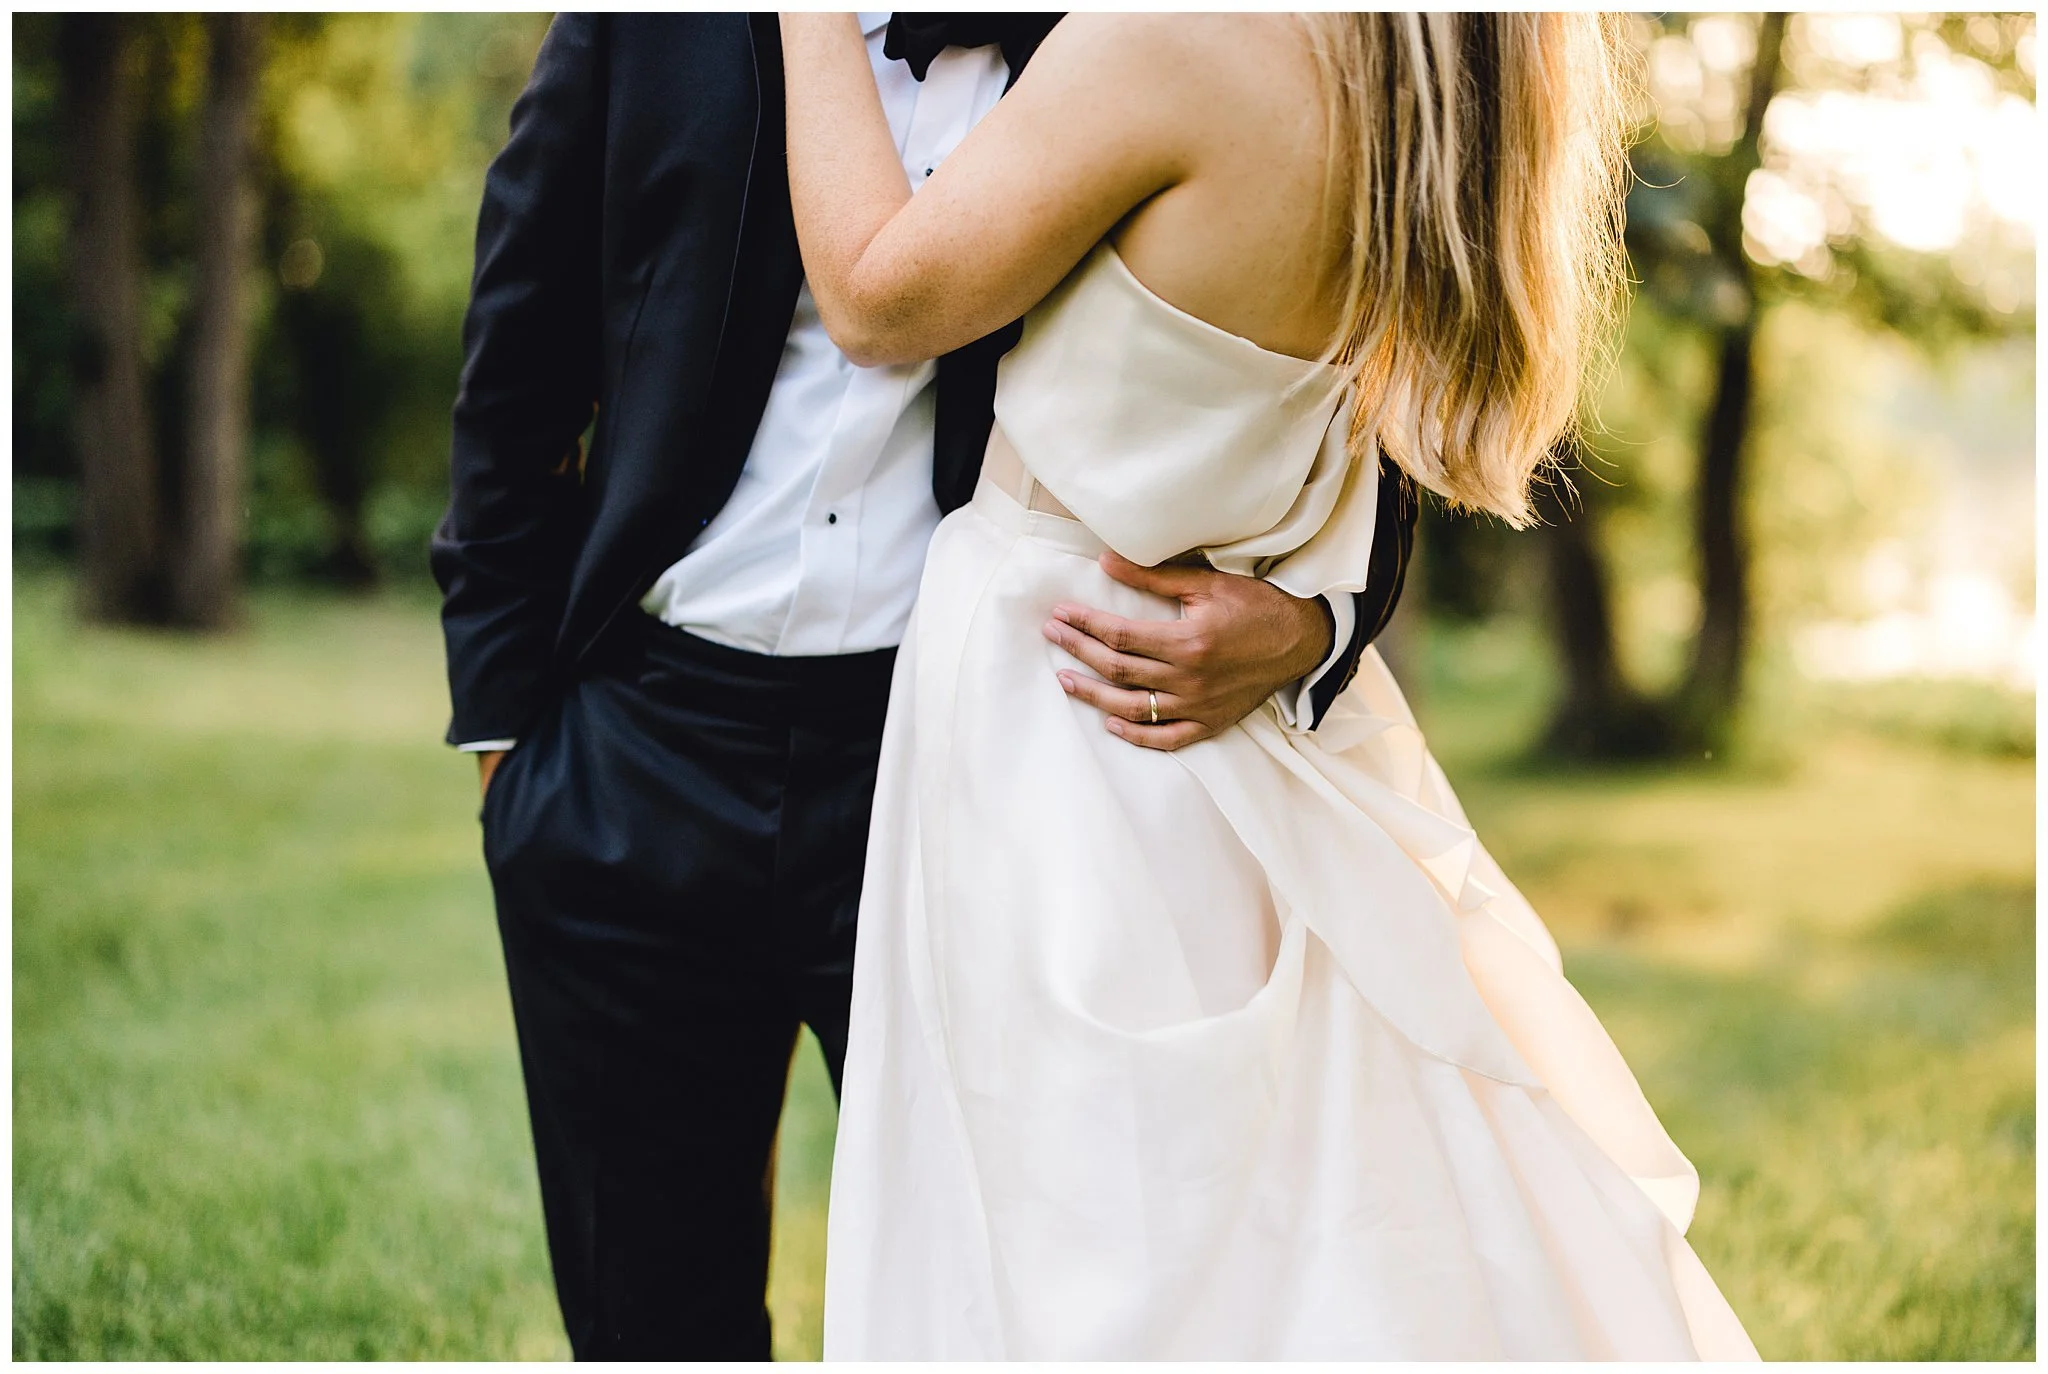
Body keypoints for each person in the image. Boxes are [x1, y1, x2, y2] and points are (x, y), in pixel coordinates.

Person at [781, 12, 1761, 1359]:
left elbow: (873, 297)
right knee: (1276, 1240)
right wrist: (1314, 627)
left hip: (1062, 701)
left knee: (1071, 1252)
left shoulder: (1182, 41)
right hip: (1243, 713)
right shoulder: (1428, 90)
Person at [430, 13, 1411, 1359]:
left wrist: (1319, 622)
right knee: (649, 1323)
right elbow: (516, 360)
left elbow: (1347, 376)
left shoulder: (1128, 47)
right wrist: (511, 751)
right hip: (632, 751)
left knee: (991, 1312)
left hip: (964, 766)